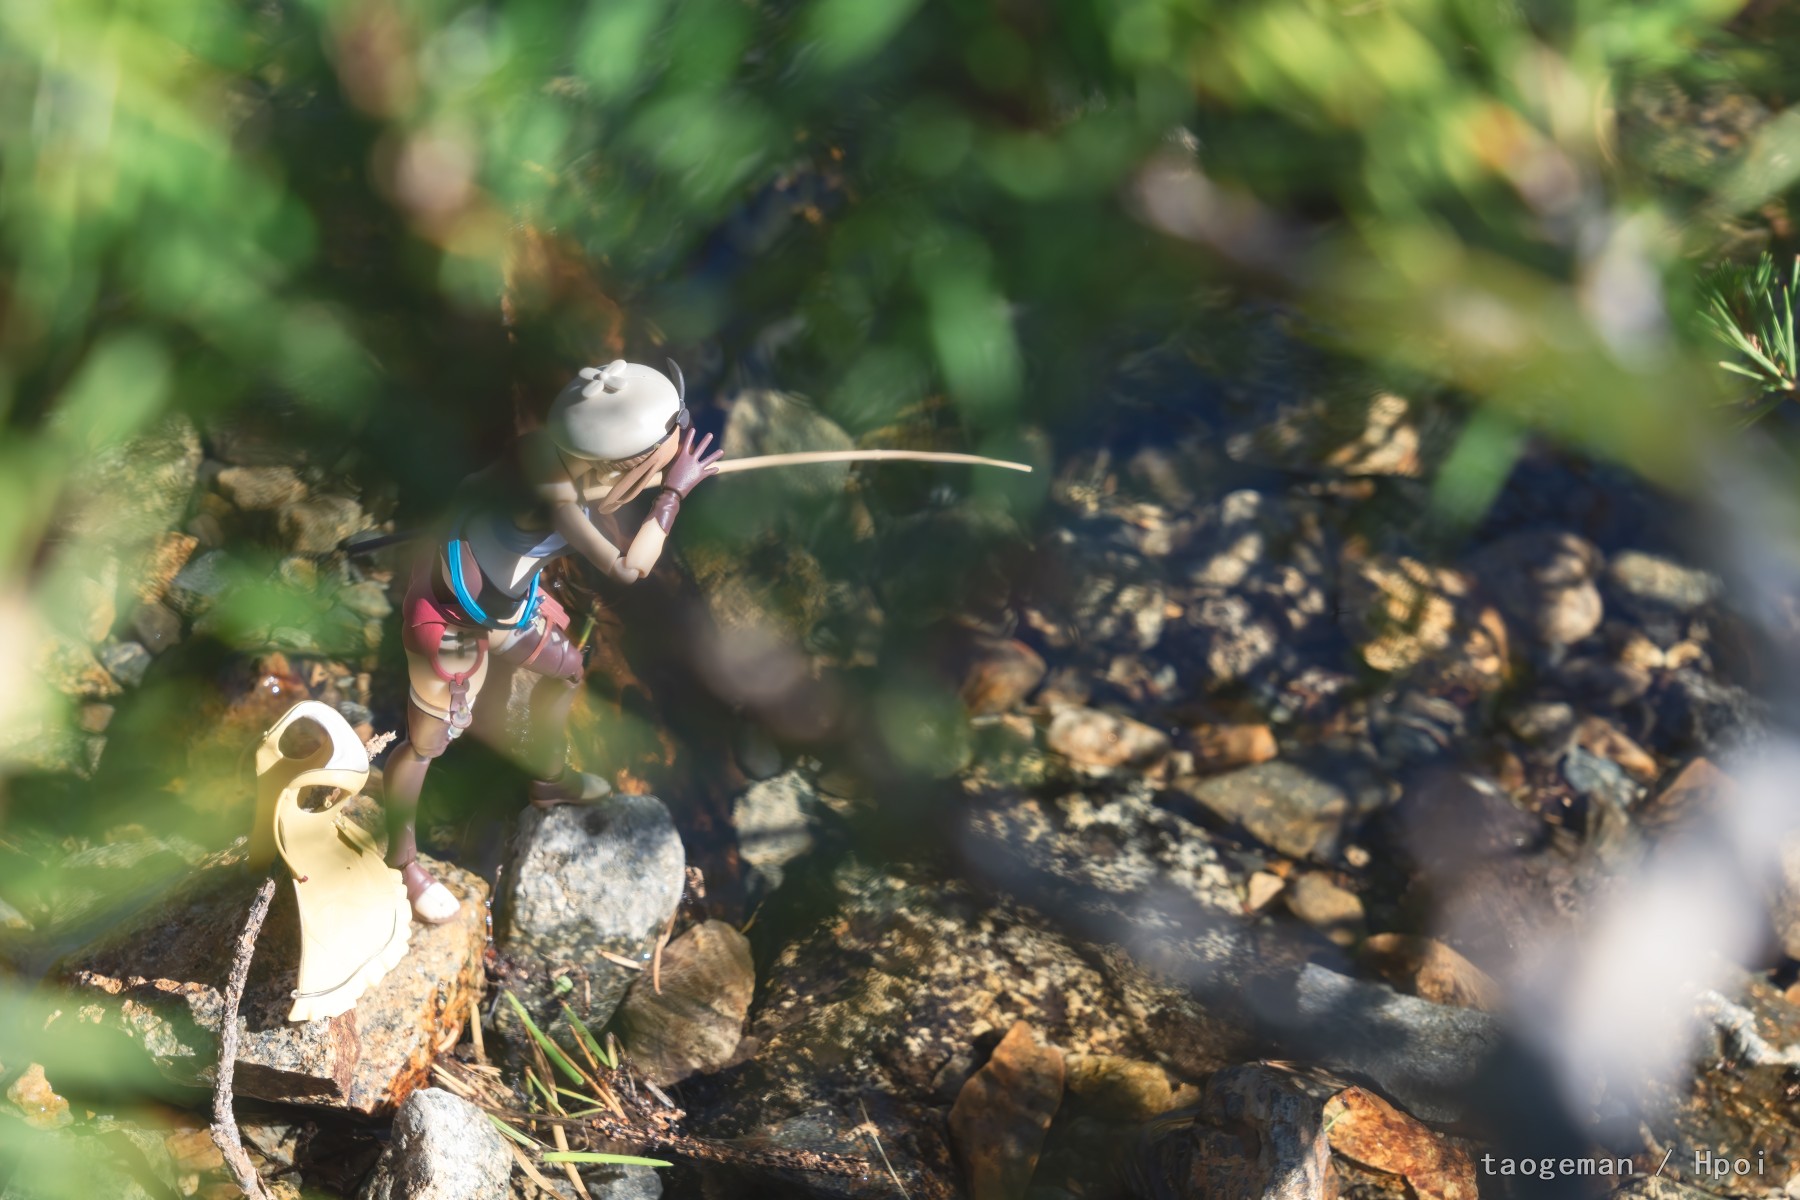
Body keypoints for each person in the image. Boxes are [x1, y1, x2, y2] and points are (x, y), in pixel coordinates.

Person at [382, 359, 721, 923]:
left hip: (506, 606)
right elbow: (629, 568)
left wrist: (658, 477)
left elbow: (600, 496)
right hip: (455, 619)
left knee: (566, 669)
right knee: (427, 742)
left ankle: (549, 778)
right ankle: (403, 862)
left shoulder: (547, 448)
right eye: (660, 459)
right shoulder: (556, 501)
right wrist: (673, 495)